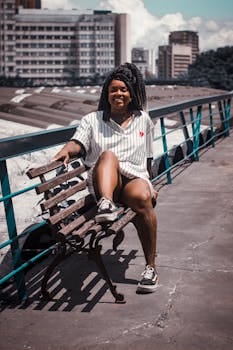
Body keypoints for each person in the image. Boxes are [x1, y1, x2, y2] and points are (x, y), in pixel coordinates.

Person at [53, 62, 158, 293]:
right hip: (104, 183)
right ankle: (107, 204)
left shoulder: (144, 120)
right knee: (109, 156)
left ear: (132, 93)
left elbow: (148, 159)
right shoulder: (92, 120)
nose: (118, 93)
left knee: (143, 197)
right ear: (106, 94)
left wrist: (151, 185)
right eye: (113, 90)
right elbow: (77, 142)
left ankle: (151, 267)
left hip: (132, 179)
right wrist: (66, 150)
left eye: (123, 89)